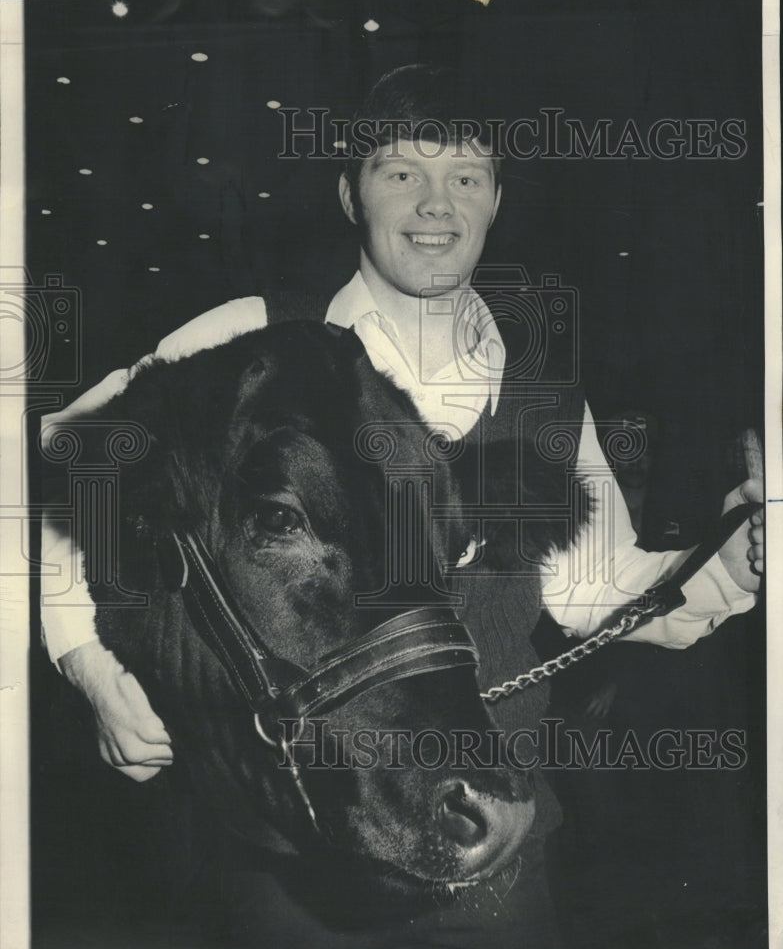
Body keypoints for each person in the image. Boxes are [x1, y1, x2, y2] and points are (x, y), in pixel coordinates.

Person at [40, 64, 765, 943]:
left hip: (490, 848)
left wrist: (727, 562)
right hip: (294, 860)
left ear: (495, 201)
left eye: (465, 175)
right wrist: (91, 663)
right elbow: (72, 466)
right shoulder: (250, 338)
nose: (436, 203)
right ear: (350, 194)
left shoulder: (541, 396)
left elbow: (596, 593)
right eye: (401, 173)